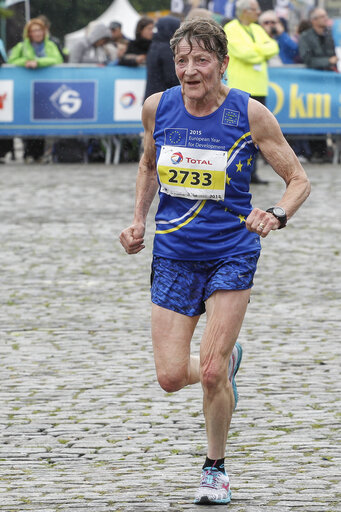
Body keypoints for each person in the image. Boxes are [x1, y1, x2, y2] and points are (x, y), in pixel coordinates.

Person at [119, 18, 310, 506]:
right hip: (175, 256)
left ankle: (215, 470)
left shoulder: (248, 113)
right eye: (182, 61)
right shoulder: (157, 108)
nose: (189, 70)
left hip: (231, 252)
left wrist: (277, 215)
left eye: (200, 60)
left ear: (223, 64)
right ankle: (228, 364)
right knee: (168, 378)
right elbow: (146, 165)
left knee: (208, 372)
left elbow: (298, 181)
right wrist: (138, 220)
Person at [224, 0, 279, 184]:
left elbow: (273, 47)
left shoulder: (257, 29)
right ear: (245, 11)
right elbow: (242, 53)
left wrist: (257, 51)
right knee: (238, 133)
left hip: (259, 87)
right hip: (240, 88)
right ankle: (236, 172)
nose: (258, 13)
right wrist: (261, 51)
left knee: (257, 134)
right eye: (255, 10)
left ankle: (252, 172)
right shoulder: (231, 28)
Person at [8, 18, 63, 163]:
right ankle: (28, 152)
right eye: (34, 31)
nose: (37, 33)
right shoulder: (22, 46)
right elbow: (12, 61)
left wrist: (38, 63)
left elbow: (57, 60)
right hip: (26, 88)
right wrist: (25, 63)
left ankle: (39, 153)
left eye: (39, 30)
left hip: (45, 88)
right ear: (29, 33)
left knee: (42, 119)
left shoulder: (50, 45)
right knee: (27, 119)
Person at [298, 8, 338, 163]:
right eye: (322, 16)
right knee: (313, 116)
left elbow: (333, 55)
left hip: (328, 82)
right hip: (312, 83)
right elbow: (307, 59)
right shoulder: (306, 36)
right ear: (313, 20)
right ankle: (316, 151)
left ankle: (326, 151)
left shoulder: (328, 35)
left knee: (329, 115)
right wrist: (328, 62)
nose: (325, 19)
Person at [144, 15, 180, 100]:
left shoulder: (155, 44)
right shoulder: (166, 49)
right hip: (164, 99)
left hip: (153, 97)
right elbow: (171, 77)